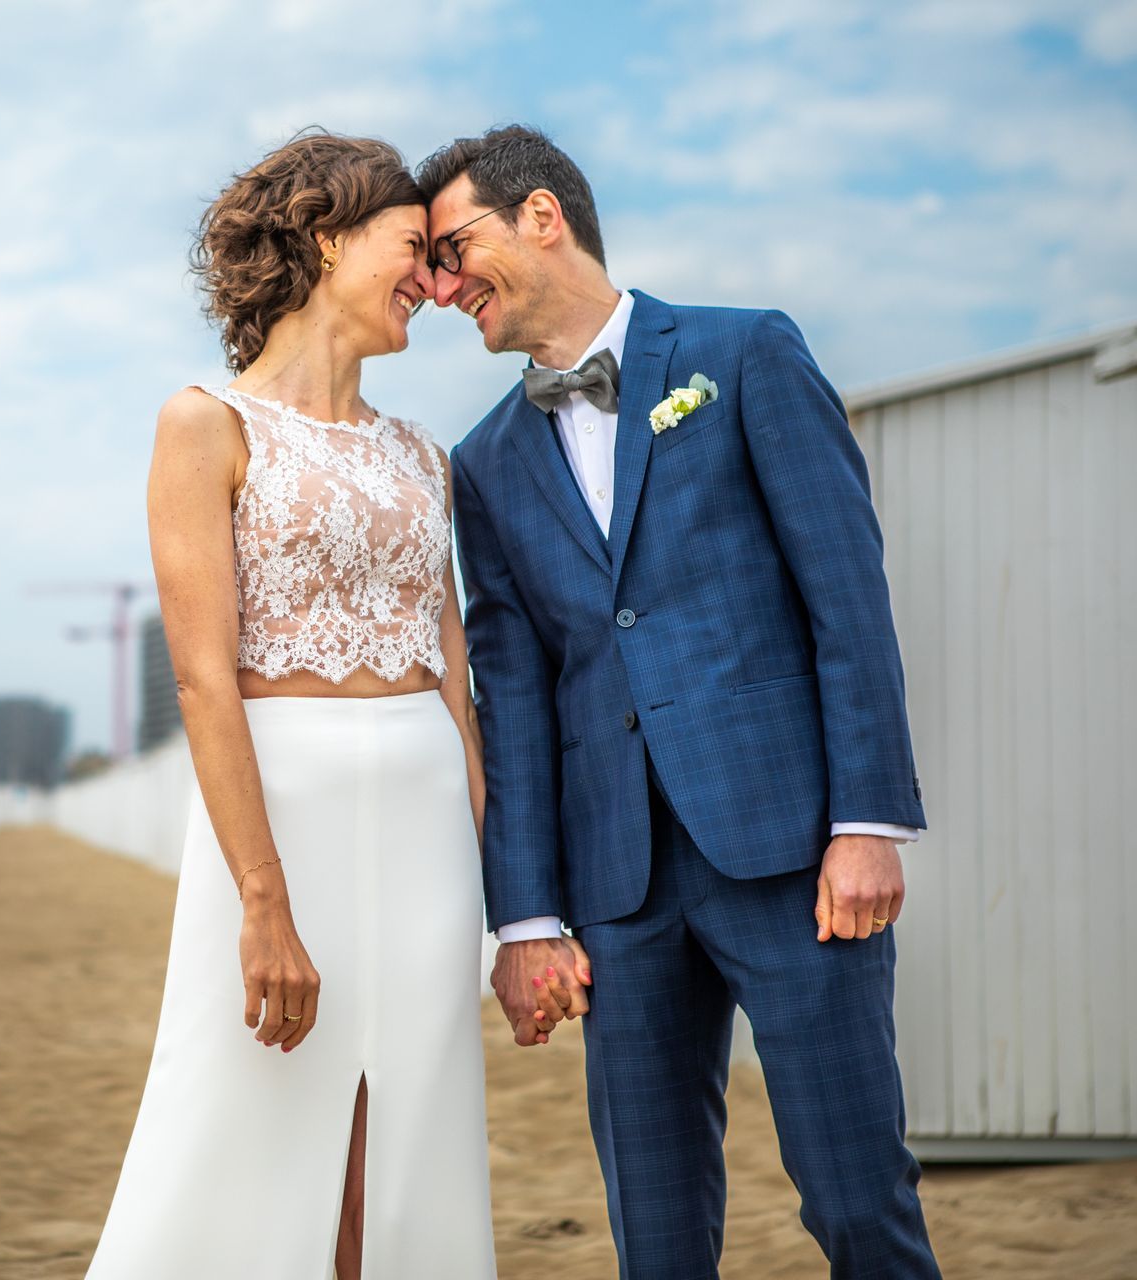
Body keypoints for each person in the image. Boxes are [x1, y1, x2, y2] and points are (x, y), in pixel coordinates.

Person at [426, 124, 942, 1278]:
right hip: (617, 896)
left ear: (541, 215)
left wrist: (869, 820)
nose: (445, 288)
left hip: (795, 858)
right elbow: (514, 698)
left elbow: (846, 597)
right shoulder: (484, 462)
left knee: (858, 1200)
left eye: (455, 250)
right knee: (654, 1238)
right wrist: (526, 917)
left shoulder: (744, 353)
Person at [86, 130, 503, 1279]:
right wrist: (262, 902)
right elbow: (203, 677)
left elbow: (455, 677)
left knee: (406, 1129)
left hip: (427, 823)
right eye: (413, 247)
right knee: (245, 1110)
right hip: (281, 817)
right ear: (326, 237)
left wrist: (500, 899)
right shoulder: (205, 424)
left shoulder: (423, 456)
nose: (434, 279)